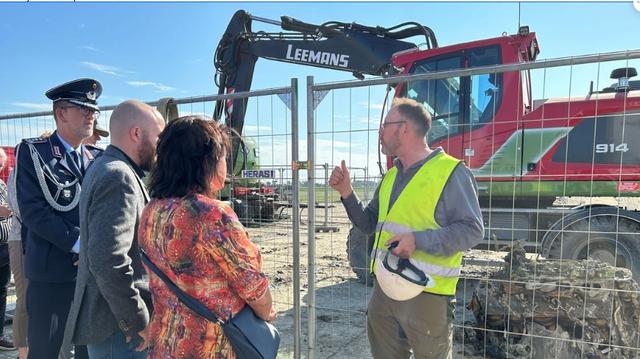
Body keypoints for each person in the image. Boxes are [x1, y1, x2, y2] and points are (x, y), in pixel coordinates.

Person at [329, 98, 484, 358]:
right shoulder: (391, 175)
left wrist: (418, 240)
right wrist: (347, 193)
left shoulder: (451, 172)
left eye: (385, 125)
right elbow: (368, 224)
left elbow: (472, 230)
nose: (380, 132)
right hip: (385, 291)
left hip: (427, 294)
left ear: (404, 129)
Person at [138, 116, 276, 358]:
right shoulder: (212, 214)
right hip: (211, 348)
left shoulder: (152, 210)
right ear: (207, 162)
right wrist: (267, 313)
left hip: (166, 342)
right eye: (223, 157)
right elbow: (253, 289)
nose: (226, 164)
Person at [65, 100, 165, 358]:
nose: (160, 148)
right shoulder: (118, 175)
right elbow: (107, 258)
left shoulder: (108, 167)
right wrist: (137, 319)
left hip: (114, 325)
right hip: (119, 330)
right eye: (158, 137)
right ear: (136, 133)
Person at [15, 78, 104, 359]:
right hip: (52, 270)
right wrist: (80, 244)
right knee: (46, 349)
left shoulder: (97, 158)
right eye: (83, 108)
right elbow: (34, 211)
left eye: (94, 109)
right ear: (61, 112)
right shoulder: (34, 153)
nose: (91, 114)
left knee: (87, 349)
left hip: (89, 273)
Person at [0, 148, 16, 351]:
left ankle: (0, 335)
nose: (2, 166)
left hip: (5, 246)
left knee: (2, 291)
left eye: (2, 163)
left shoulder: (2, 183)